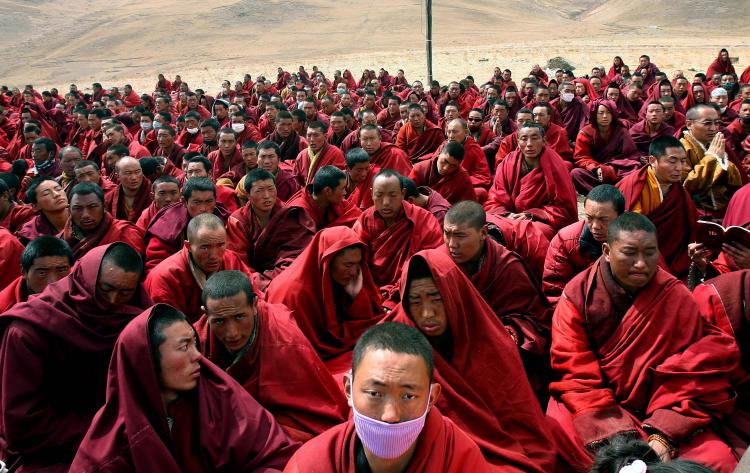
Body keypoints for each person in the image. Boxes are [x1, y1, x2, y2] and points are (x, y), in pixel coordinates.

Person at [547, 213, 740, 473]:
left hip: (662, 407)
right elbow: (574, 368)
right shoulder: (578, 294)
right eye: (629, 253)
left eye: (650, 252)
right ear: (606, 250)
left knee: (718, 461)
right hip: (600, 404)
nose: (641, 263)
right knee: (558, 430)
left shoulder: (675, 295)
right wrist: (619, 436)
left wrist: (664, 431)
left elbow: (692, 374)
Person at [69, 304, 298, 471]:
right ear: (147, 361)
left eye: (194, 343)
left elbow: (272, 454)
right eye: (183, 347)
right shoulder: (112, 447)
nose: (198, 356)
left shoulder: (216, 393)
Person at [385, 250, 555, 471]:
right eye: (415, 302)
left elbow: (521, 422)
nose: (427, 313)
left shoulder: (490, 341)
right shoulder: (393, 343)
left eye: (436, 299)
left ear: (454, 294)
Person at [0, 243, 150, 472]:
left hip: (126, 432)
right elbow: (23, 422)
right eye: (105, 289)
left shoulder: (136, 317)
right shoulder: (29, 329)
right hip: (56, 448)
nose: (111, 301)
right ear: (85, 279)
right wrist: (105, 431)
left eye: (124, 293)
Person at [284, 322, 491, 472]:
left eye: (408, 396)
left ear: (431, 398)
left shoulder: (459, 458)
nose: (390, 416)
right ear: (348, 389)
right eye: (375, 394)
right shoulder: (311, 465)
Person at [195, 270, 348, 442]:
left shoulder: (284, 340)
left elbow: (313, 411)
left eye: (239, 317)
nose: (232, 333)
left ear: (254, 305)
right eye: (219, 321)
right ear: (206, 314)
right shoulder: (197, 338)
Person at [442, 201, 553, 402]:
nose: (451, 244)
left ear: (483, 233)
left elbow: (535, 320)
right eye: (447, 234)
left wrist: (510, 332)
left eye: (460, 236)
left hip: (495, 341)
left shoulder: (507, 266)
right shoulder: (441, 260)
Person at [265, 226, 383, 367]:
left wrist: (357, 296)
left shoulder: (342, 277)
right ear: (328, 261)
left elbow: (368, 319)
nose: (353, 272)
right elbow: (300, 350)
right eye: (348, 265)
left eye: (357, 264)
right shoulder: (294, 294)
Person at [145, 213, 253, 323]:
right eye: (205, 248)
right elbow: (168, 326)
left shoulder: (230, 259)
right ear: (188, 246)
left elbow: (254, 298)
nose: (214, 256)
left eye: (221, 245)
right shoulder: (165, 277)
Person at [353, 170, 442, 301]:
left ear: (403, 194)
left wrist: (397, 291)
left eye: (393, 195)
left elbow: (432, 262)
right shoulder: (365, 220)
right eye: (379, 195)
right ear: (371, 194)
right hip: (370, 290)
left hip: (409, 291)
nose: (386, 202)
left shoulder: (423, 219)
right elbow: (355, 260)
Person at [617, 136, 696, 279]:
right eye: (672, 161)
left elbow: (689, 227)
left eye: (683, 161)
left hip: (674, 256)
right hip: (640, 257)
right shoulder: (635, 186)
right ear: (652, 160)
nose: (679, 168)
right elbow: (633, 232)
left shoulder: (679, 191)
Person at [485, 122, 578, 240]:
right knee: (483, 222)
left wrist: (532, 215)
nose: (529, 144)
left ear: (544, 140)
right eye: (524, 139)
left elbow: (565, 210)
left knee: (533, 233)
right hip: (509, 217)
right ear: (518, 142)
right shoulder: (508, 162)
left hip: (539, 222)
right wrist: (507, 214)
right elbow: (495, 197)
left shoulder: (556, 166)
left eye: (535, 138)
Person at [226, 169, 315, 291]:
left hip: (285, 276)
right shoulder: (238, 220)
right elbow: (237, 261)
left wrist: (275, 280)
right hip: (252, 280)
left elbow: (295, 255)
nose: (267, 196)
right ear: (248, 195)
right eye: (259, 191)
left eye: (271, 189)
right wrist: (260, 282)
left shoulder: (289, 214)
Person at [543, 184, 625, 306]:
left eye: (604, 219)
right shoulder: (565, 241)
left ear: (620, 217)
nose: (595, 226)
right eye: (590, 218)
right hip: (578, 308)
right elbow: (554, 290)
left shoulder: (635, 239)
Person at [144, 177, 230, 272]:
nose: (203, 208)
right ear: (184, 202)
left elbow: (234, 258)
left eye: (209, 201)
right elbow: (155, 266)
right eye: (196, 202)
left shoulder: (224, 218)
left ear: (215, 201)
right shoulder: (169, 223)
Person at [681, 103, 743, 219]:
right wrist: (711, 158)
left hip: (724, 206)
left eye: (717, 123)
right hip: (696, 209)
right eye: (707, 123)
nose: (714, 128)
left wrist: (723, 163)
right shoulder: (681, 148)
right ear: (689, 124)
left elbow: (736, 182)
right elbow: (684, 187)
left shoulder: (716, 144)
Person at [571, 99, 641, 194]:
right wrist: (596, 168)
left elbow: (630, 156)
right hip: (595, 173)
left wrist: (611, 169)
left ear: (613, 115)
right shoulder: (585, 132)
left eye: (608, 113)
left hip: (617, 171)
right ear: (595, 114)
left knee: (635, 171)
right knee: (576, 173)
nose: (605, 116)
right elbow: (581, 157)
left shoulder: (621, 131)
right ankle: (603, 194)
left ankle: (618, 190)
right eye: (601, 113)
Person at [62, 182, 144, 259]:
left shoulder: (125, 234)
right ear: (69, 211)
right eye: (78, 208)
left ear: (104, 206)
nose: (85, 215)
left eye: (92, 207)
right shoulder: (64, 237)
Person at [0, 236, 72, 312]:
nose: (53, 281)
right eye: (42, 273)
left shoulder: (79, 290)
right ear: (24, 272)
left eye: (61, 270)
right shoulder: (4, 309)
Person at [286, 165, 362, 231]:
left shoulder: (336, 201)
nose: (345, 193)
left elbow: (358, 217)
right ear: (328, 191)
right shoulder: (299, 212)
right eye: (342, 189)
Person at [409, 141, 476, 204]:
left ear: (459, 165)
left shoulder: (463, 178)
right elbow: (407, 196)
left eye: (453, 166)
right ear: (439, 154)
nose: (446, 168)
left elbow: (468, 206)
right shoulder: (420, 168)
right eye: (445, 161)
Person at [16, 177, 69, 244]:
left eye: (58, 189)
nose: (57, 194)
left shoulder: (81, 215)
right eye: (46, 194)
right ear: (35, 206)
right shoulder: (30, 232)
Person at [293, 121, 345, 186]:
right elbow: (296, 181)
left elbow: (339, 180)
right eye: (309, 135)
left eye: (316, 135)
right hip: (304, 193)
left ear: (325, 136)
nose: (311, 139)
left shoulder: (336, 153)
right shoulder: (302, 155)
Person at [104, 156, 153, 223]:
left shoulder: (153, 193)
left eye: (137, 172)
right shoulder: (109, 198)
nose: (134, 177)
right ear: (117, 176)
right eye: (128, 173)